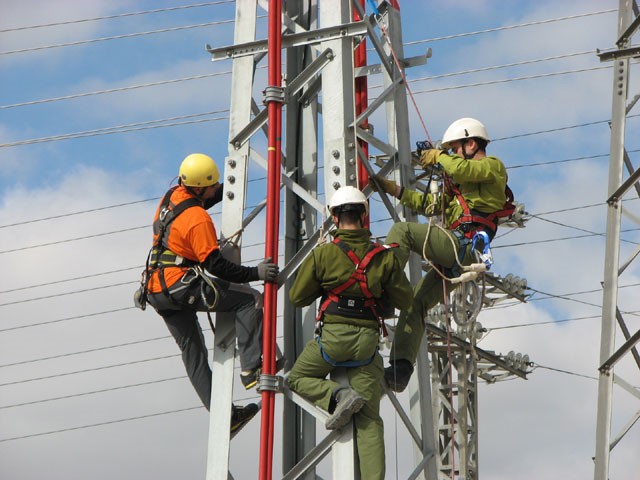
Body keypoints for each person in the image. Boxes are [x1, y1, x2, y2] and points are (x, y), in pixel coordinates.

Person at [369, 118, 512, 392]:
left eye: (456, 148)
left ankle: (381, 288)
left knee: (403, 232)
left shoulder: (492, 166)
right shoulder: (459, 180)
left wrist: (439, 157)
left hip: (463, 245)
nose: (453, 154)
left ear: (471, 144)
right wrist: (393, 189)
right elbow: (429, 206)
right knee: (415, 305)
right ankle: (400, 368)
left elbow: (461, 167)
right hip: (458, 251)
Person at [140, 153, 279, 431]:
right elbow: (217, 266)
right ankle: (251, 368)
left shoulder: (172, 198)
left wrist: (231, 188)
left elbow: (200, 201)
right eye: (213, 185)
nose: (216, 189)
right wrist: (256, 273)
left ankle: (224, 417)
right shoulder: (198, 220)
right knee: (248, 300)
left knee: (192, 353)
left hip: (155, 289)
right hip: (179, 286)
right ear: (200, 187)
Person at [287, 186, 413, 480]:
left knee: (298, 378)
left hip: (333, 339)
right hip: (367, 344)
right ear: (363, 216)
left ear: (334, 216)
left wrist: (325, 282)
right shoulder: (385, 257)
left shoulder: (325, 254)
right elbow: (405, 301)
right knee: (370, 420)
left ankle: (338, 395)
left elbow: (297, 297)